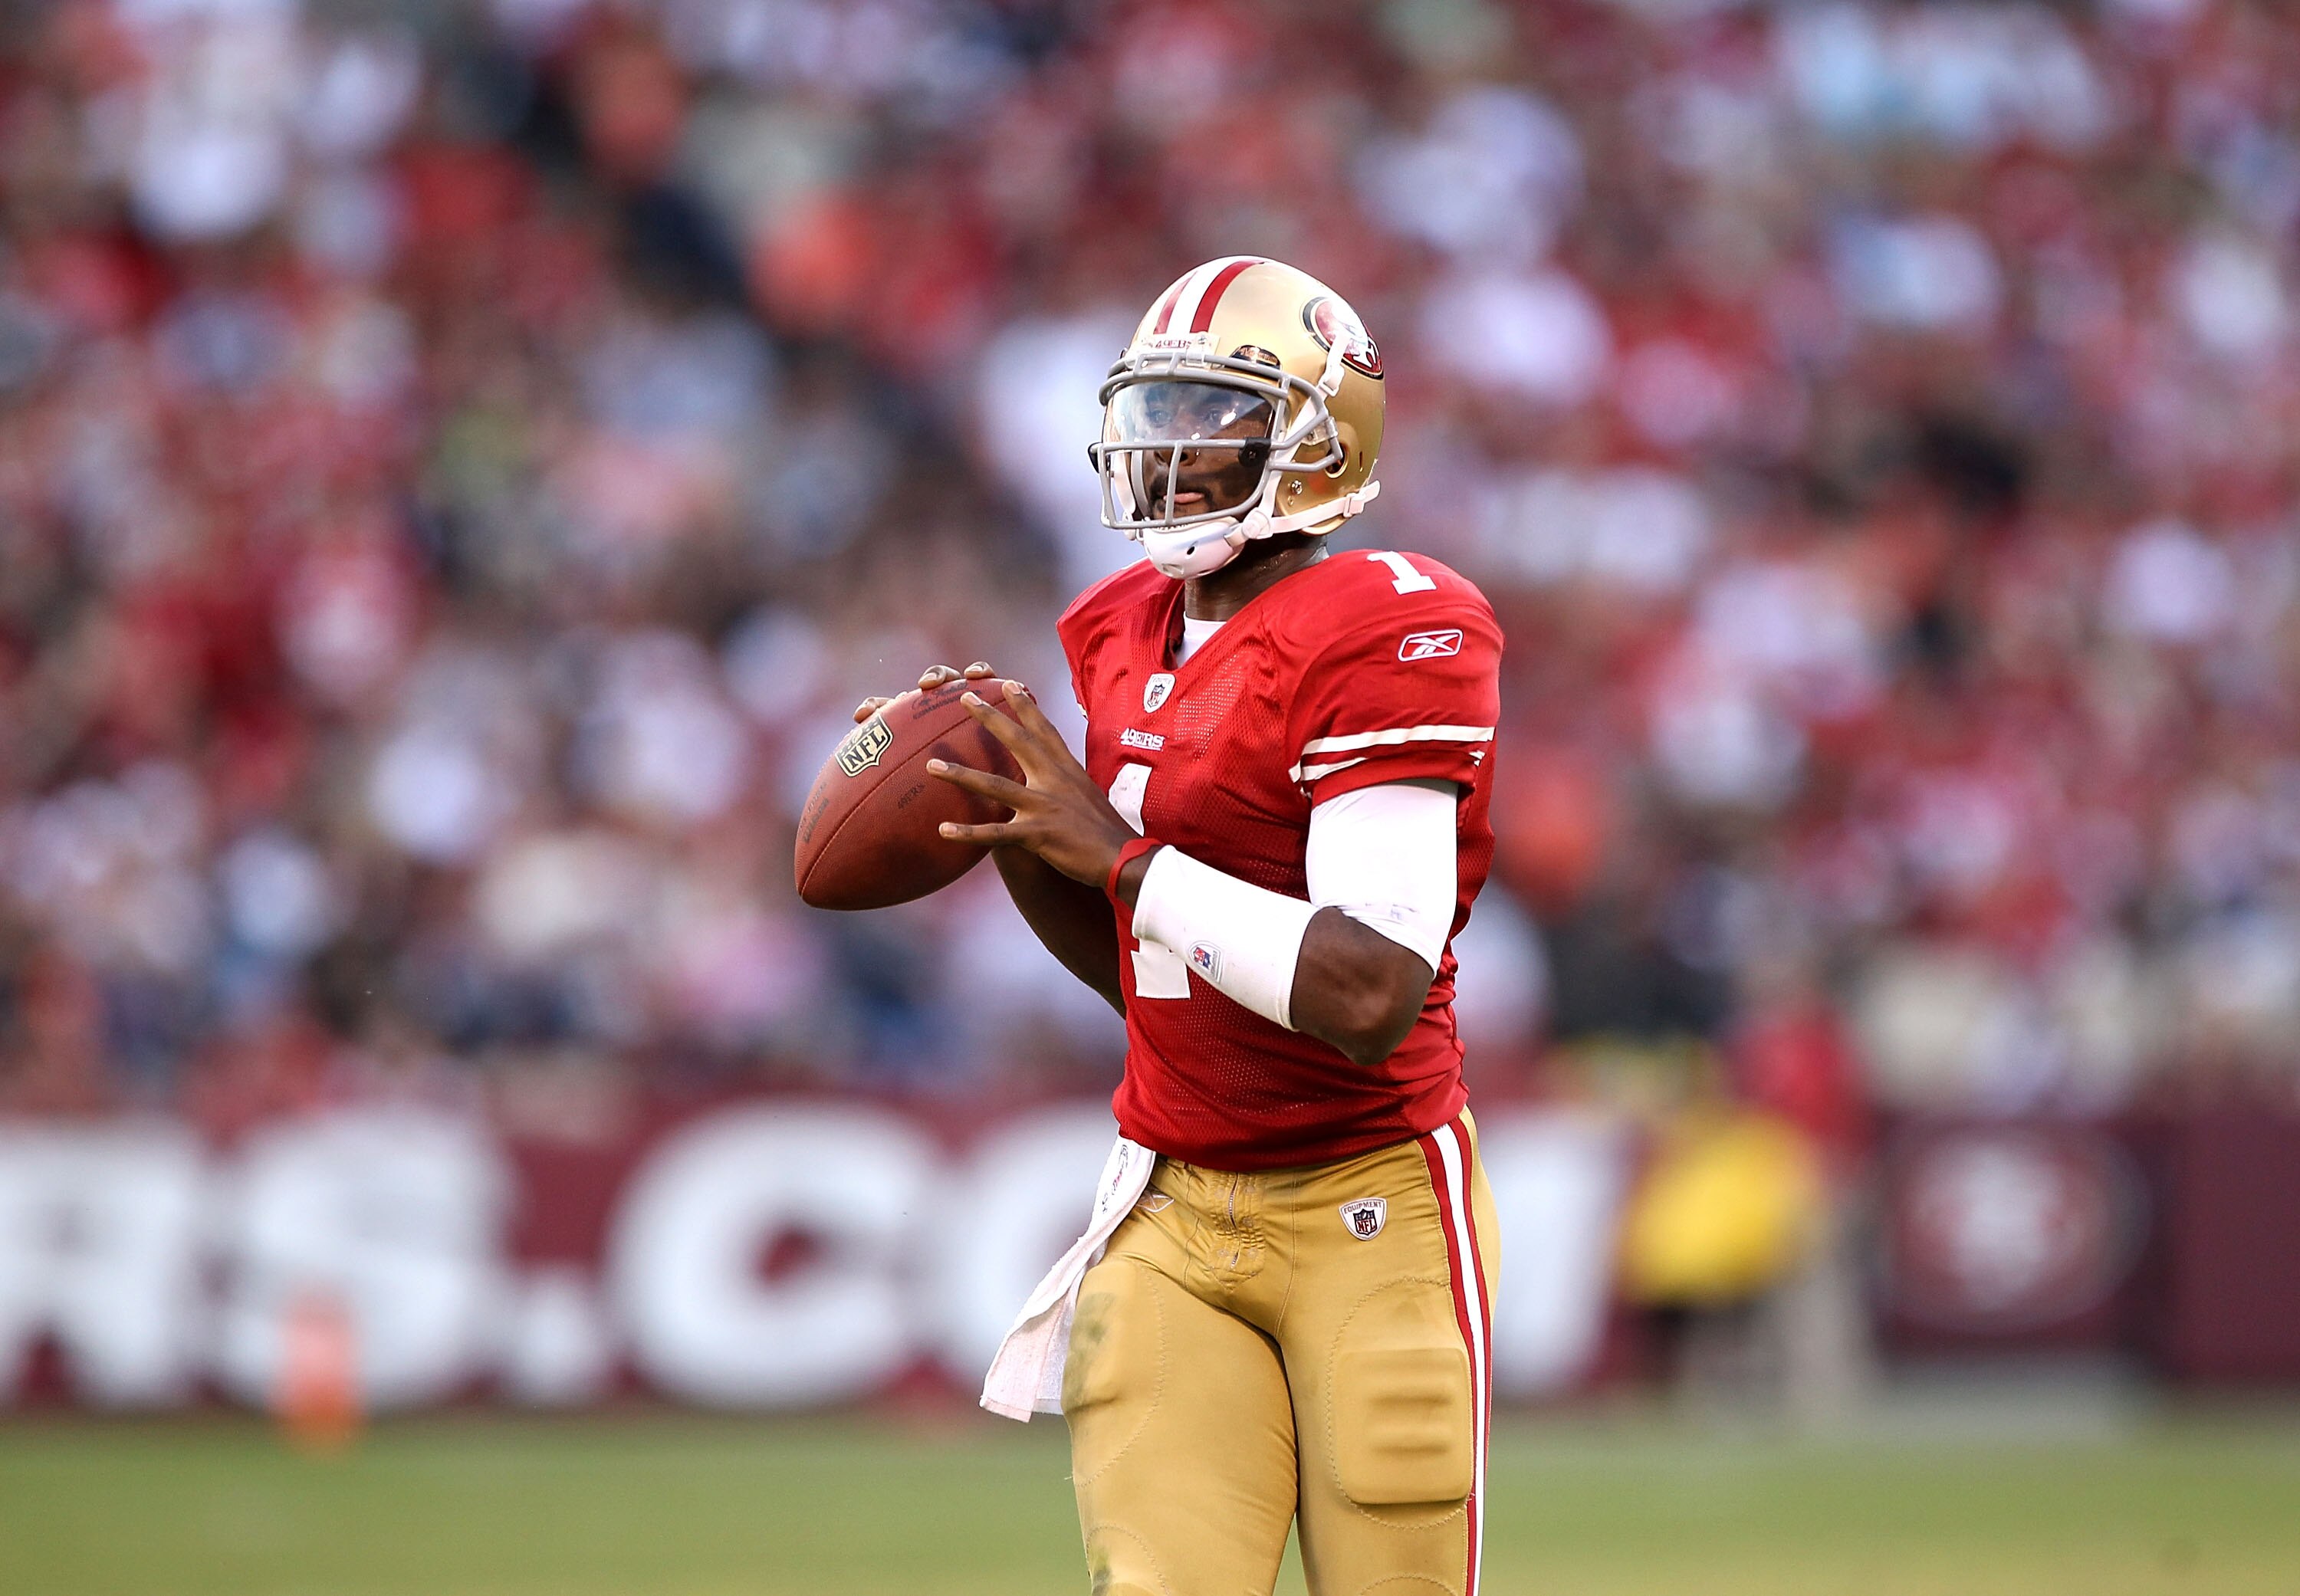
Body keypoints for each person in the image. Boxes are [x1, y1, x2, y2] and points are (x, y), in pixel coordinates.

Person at [852, 257, 1503, 1595]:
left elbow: (1368, 990)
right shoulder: (1120, 631)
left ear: (1318, 438)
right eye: (1154, 414)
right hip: (1169, 1197)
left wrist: (1120, 856)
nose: (1166, 452)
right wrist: (1023, 836)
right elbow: (1156, 978)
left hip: (1368, 1197)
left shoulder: (1394, 628)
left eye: (1211, 415)